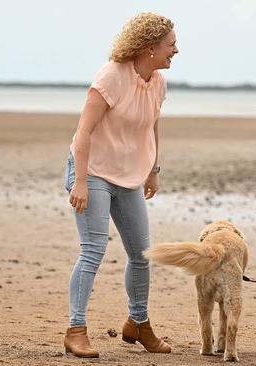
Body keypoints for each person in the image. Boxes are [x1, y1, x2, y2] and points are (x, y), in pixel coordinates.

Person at [62, 12, 178, 358]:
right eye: (171, 44)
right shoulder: (111, 76)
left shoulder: (157, 81)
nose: (176, 50)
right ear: (149, 48)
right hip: (92, 171)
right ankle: (76, 330)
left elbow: (152, 125)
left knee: (142, 253)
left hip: (129, 175)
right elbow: (83, 132)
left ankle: (138, 323)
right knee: (93, 250)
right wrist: (80, 181)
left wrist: (153, 168)